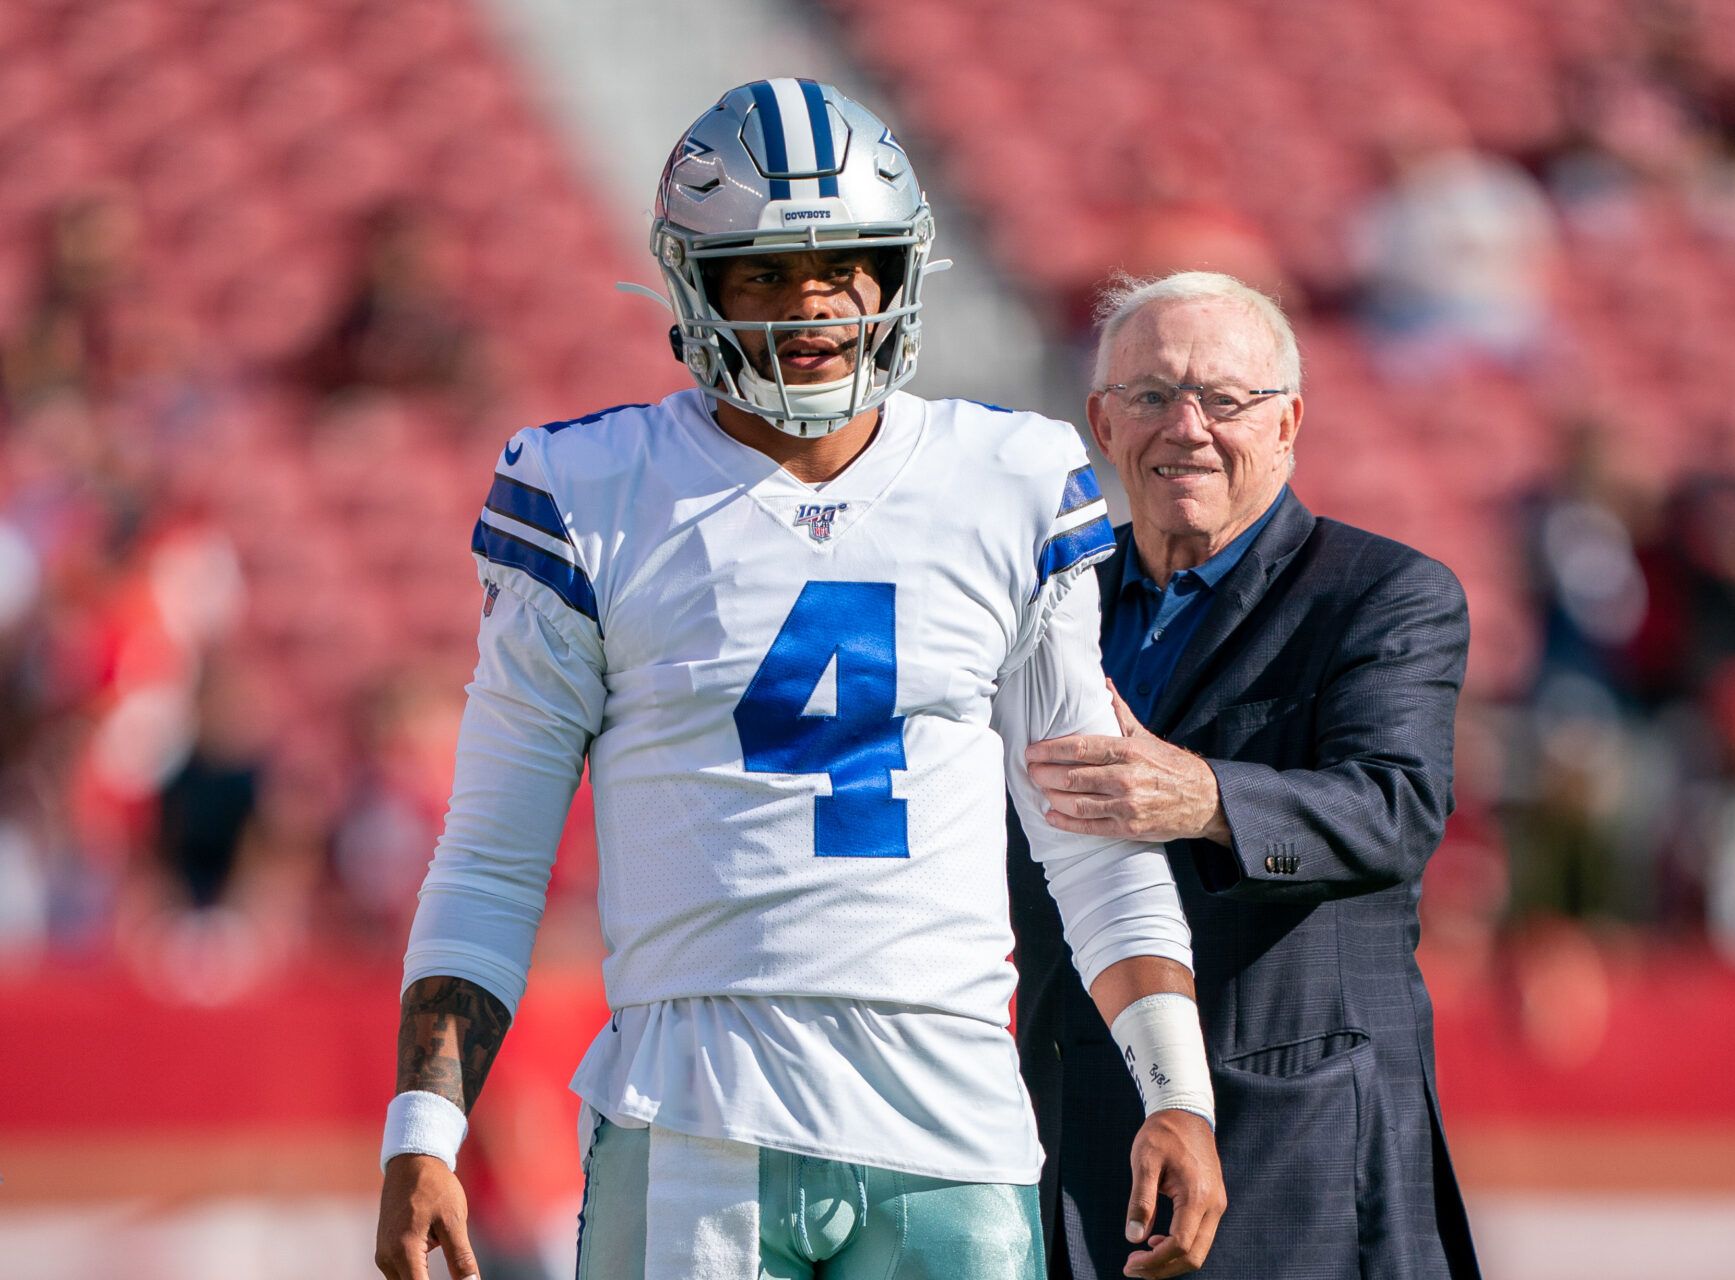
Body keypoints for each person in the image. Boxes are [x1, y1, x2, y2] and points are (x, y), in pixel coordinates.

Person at [372, 81, 1224, 1280]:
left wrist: (1176, 1087)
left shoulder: (1010, 478)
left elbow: (1088, 836)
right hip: (694, 1113)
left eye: (845, 263)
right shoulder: (589, 490)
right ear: (695, 284)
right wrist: (424, 1127)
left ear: (897, 271)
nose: (812, 303)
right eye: (765, 272)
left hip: (955, 1124)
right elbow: (493, 854)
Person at [1009, 271, 1481, 1278]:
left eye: (1224, 398)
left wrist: (1208, 796)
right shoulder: (1045, 601)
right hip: (1062, 1137)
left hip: (1295, 1155)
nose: (1186, 427)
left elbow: (1395, 810)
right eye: (1149, 395)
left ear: (1287, 422)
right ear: (1101, 418)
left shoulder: (1385, 595)